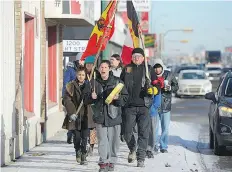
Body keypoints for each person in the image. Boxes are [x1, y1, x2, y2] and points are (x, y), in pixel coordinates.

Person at [86, 60, 129, 172]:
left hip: (114, 116)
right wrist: (92, 97)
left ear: (109, 69)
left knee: (114, 141)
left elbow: (125, 99)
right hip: (100, 116)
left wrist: (118, 99)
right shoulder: (93, 83)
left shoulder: (117, 82)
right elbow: (85, 99)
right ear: (99, 69)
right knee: (102, 141)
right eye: (101, 67)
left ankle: (112, 162)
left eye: (105, 67)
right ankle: (103, 163)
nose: (103, 69)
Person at [120, 48, 159, 167]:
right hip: (129, 106)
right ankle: (132, 149)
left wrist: (154, 89)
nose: (136, 58)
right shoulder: (127, 69)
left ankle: (141, 158)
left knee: (143, 133)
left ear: (143, 58)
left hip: (144, 106)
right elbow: (120, 84)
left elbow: (157, 84)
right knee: (127, 133)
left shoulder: (148, 69)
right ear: (132, 58)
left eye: (139, 56)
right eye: (134, 56)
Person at [63, 66, 95, 165]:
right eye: (79, 75)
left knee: (85, 137)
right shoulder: (70, 86)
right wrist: (72, 112)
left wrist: (93, 97)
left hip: (86, 114)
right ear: (76, 75)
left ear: (85, 76)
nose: (81, 77)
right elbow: (66, 100)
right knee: (77, 137)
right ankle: (77, 150)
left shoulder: (89, 86)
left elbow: (90, 101)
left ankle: (84, 154)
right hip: (75, 115)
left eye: (83, 75)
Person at [152, 58, 179, 153]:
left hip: (165, 104)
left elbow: (176, 87)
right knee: (154, 128)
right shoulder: (151, 76)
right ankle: (154, 145)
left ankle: (163, 146)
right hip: (154, 105)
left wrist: (170, 88)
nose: (157, 70)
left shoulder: (169, 74)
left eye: (159, 67)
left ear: (162, 67)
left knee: (165, 128)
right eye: (155, 67)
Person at [146, 71, 164, 158]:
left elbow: (157, 102)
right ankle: (141, 149)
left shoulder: (156, 86)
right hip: (141, 112)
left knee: (152, 132)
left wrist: (152, 109)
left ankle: (150, 149)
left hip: (152, 113)